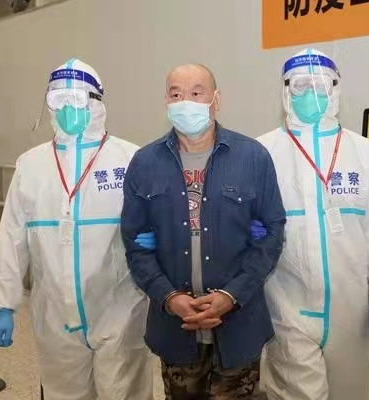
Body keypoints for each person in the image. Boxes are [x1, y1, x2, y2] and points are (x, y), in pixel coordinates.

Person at [0, 59, 153, 400]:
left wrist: (158, 243)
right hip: (54, 315)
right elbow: (11, 238)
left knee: (125, 393)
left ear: (96, 102)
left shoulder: (129, 159)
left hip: (120, 309)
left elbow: (161, 221)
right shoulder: (31, 165)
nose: (66, 109)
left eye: (75, 100)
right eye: (57, 100)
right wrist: (4, 305)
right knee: (64, 394)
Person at [121, 63, 286, 400]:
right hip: (175, 329)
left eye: (196, 93)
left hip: (239, 324)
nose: (186, 102)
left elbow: (272, 232)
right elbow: (136, 245)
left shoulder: (252, 157)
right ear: (166, 101)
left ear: (216, 100)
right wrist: (170, 297)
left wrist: (232, 295)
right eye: (176, 94)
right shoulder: (144, 163)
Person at [256, 48, 369, 400]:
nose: (311, 94)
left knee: (350, 392)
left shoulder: (362, 151)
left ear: (335, 89)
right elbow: (241, 217)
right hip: (286, 304)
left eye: (321, 85)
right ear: (286, 90)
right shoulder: (263, 151)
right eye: (301, 86)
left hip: (350, 309)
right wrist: (249, 232)